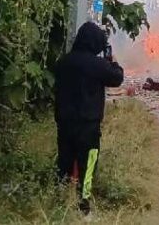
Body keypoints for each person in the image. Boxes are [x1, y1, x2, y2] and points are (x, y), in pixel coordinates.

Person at [52, 21, 124, 214]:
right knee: (88, 164)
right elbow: (117, 78)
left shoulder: (63, 62)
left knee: (65, 160)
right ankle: (83, 204)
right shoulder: (97, 65)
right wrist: (113, 60)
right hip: (88, 126)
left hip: (64, 123)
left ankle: (60, 199)